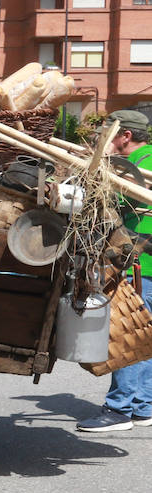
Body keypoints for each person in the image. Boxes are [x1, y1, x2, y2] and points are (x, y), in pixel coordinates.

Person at [80, 109, 152, 433]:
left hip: (142, 261)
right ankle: (143, 405)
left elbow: (114, 200)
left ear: (124, 136)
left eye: (109, 132)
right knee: (145, 331)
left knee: (129, 332)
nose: (104, 138)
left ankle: (119, 408)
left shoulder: (141, 165)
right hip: (145, 261)